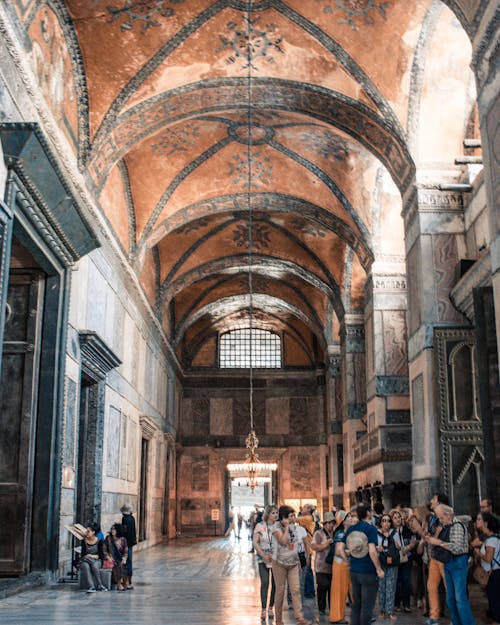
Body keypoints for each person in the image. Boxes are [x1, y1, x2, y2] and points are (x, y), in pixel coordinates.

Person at [425, 504, 474, 625]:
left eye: (441, 518)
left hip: (458, 562)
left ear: (449, 515)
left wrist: (438, 542)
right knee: (450, 599)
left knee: (460, 598)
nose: (440, 520)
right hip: (448, 562)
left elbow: (457, 548)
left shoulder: (457, 526)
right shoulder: (446, 525)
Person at [337, 504, 384, 625]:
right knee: (367, 605)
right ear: (368, 513)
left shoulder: (352, 528)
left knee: (356, 605)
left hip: (354, 570)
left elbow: (340, 548)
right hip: (368, 571)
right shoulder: (370, 528)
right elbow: (372, 551)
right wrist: (378, 569)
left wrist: (347, 561)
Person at [271, 505, 311, 625]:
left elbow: (297, 544)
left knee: (295, 589)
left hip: (293, 563)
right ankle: (278, 620)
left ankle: (299, 618)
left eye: (294, 516)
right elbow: (283, 541)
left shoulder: (295, 527)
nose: (294, 518)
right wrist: (287, 526)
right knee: (280, 591)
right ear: (283, 517)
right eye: (291, 516)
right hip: (279, 563)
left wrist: (300, 559)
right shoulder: (276, 527)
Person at [424, 493, 450, 625]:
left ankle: (454, 617)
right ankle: (434, 616)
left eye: (433, 499)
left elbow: (440, 535)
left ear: (439, 503)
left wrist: (432, 537)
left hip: (444, 556)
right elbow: (430, 534)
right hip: (434, 556)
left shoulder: (446, 516)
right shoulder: (432, 518)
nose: (431, 501)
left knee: (448, 587)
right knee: (431, 586)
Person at [329, 509, 356, 624]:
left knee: (353, 590)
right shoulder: (340, 533)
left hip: (347, 564)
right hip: (341, 564)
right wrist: (349, 554)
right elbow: (339, 551)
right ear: (343, 521)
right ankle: (337, 616)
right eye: (348, 517)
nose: (351, 519)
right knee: (339, 591)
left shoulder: (349, 532)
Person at [473, 513, 500, 625]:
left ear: (486, 523)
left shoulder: (492, 540)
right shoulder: (491, 538)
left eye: (479, 519)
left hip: (494, 573)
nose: (477, 521)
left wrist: (479, 553)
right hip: (494, 573)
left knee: (495, 599)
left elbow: (488, 558)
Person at [253, 504, 278, 621]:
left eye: (277, 513)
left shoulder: (278, 526)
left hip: (276, 559)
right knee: (265, 582)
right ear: (267, 514)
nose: (276, 515)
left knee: (275, 584)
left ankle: (270, 608)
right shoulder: (259, 526)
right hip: (262, 558)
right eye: (273, 513)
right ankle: (263, 608)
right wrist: (263, 555)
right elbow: (255, 542)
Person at [391, 508, 417, 613]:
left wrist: (408, 547)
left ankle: (406, 604)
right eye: (395, 518)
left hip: (406, 558)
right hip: (395, 559)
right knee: (396, 581)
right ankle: (397, 604)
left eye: (399, 517)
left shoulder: (407, 530)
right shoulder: (390, 532)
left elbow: (413, 541)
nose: (397, 520)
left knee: (406, 580)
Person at [377, 513, 401, 620]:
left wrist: (398, 545)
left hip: (393, 563)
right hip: (381, 563)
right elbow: (374, 548)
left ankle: (390, 611)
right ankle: (382, 610)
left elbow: (400, 546)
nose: (386, 523)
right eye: (384, 520)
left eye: (388, 521)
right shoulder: (377, 534)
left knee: (391, 587)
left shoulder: (395, 533)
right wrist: (378, 549)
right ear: (381, 523)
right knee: (382, 587)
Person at [310, 511, 335, 614]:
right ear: (324, 524)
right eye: (328, 523)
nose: (330, 525)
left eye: (332, 523)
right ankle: (321, 607)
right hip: (321, 566)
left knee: (332, 588)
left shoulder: (335, 533)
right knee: (322, 586)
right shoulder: (318, 533)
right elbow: (314, 546)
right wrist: (325, 544)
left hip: (333, 566)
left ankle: (332, 607)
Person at [79, 523, 107, 593]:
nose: (86, 533)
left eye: (88, 531)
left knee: (94, 566)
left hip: (96, 560)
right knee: (85, 565)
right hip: (86, 560)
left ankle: (99, 585)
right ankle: (91, 586)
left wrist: (91, 556)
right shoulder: (84, 541)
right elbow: (83, 555)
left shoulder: (99, 541)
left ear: (93, 532)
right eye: (86, 531)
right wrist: (87, 556)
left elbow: (101, 556)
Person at [105, 524, 129, 591]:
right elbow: (104, 549)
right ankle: (119, 584)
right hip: (111, 557)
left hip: (119, 557)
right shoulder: (108, 538)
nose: (112, 531)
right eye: (112, 529)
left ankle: (124, 582)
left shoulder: (123, 539)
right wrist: (108, 556)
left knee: (123, 564)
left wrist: (124, 558)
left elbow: (125, 551)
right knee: (118, 565)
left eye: (114, 529)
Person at [121, 502, 137, 589]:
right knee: (129, 560)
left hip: (126, 542)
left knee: (126, 560)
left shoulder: (125, 519)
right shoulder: (132, 518)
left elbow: (125, 531)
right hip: (131, 542)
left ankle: (126, 580)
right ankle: (129, 579)